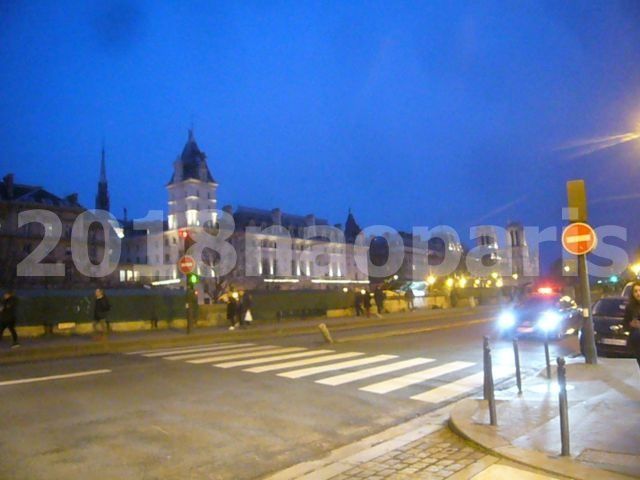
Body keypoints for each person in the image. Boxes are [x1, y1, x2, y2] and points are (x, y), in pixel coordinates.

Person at [623, 281, 640, 369]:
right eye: (635, 291)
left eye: (639, 290)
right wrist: (631, 324)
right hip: (637, 341)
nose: (638, 293)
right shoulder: (630, 307)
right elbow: (625, 323)